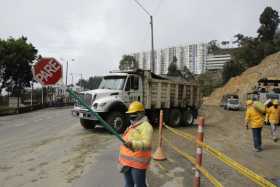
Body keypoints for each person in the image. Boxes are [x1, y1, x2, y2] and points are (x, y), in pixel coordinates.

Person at [119, 101, 153, 187]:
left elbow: (147, 143)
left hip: (137, 164)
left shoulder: (146, 126)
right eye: (130, 113)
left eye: (134, 113)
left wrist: (133, 144)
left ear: (142, 113)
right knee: (128, 184)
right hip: (126, 162)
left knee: (140, 185)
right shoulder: (132, 125)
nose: (132, 115)